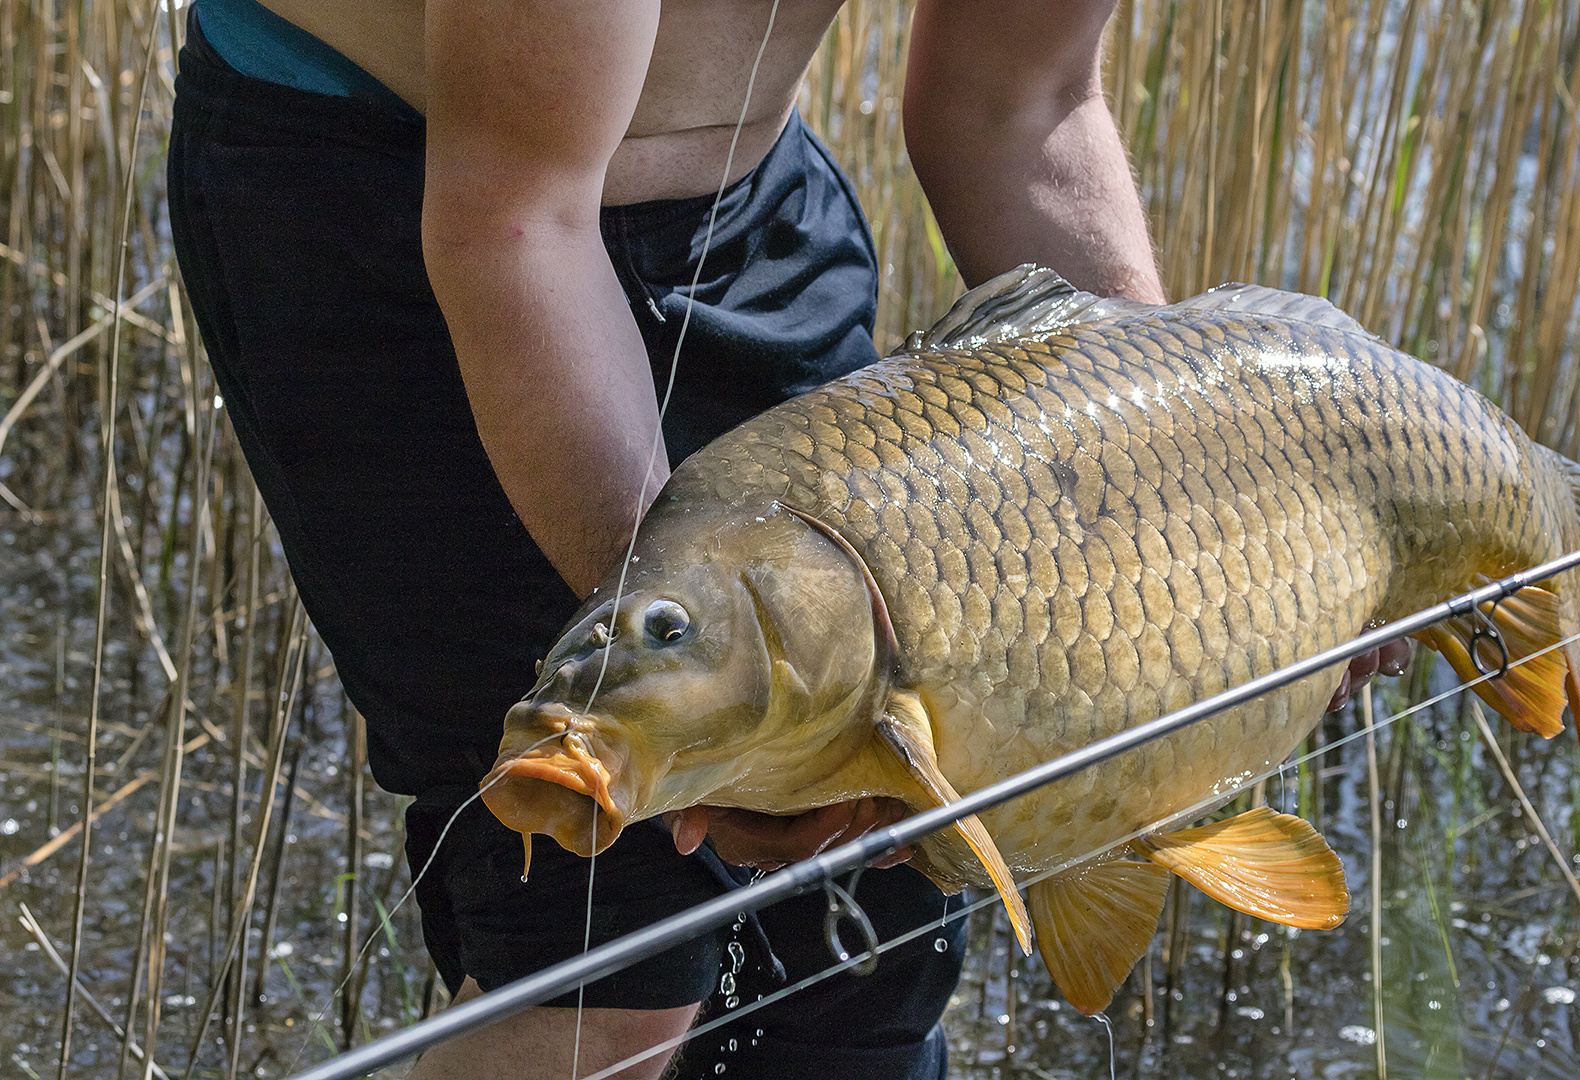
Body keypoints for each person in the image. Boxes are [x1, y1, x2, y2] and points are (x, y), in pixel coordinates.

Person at [166, 2, 1402, 1076]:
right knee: (605, 961)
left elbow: (1014, 105)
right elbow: (517, 227)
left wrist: (1196, 521)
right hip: (420, 189)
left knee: (882, 922)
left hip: (743, 198)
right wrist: (719, 692)